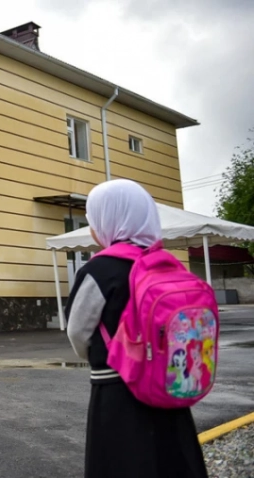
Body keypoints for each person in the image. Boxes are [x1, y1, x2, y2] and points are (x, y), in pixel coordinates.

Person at [65, 179, 208, 478]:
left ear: (108, 219)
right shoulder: (168, 265)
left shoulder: (98, 270)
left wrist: (110, 354)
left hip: (117, 392)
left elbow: (77, 332)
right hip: (169, 387)